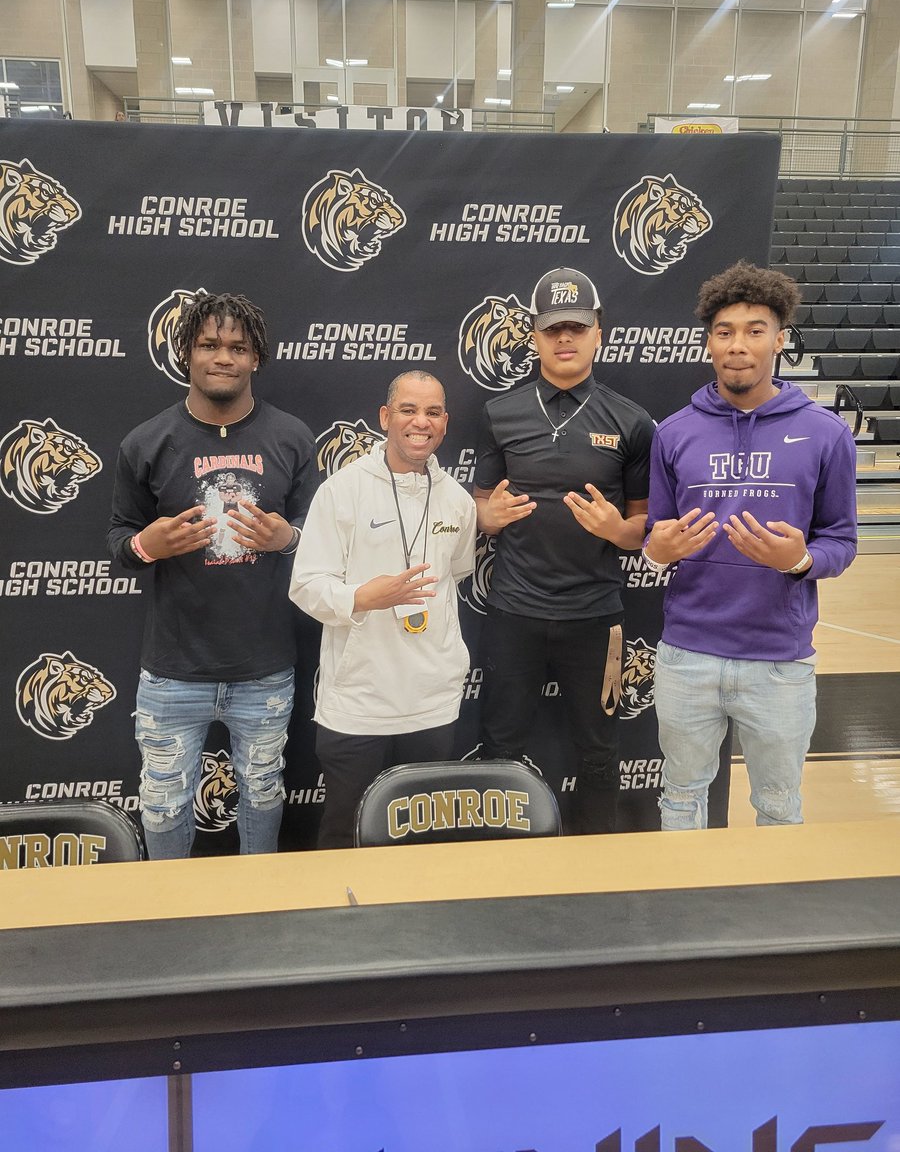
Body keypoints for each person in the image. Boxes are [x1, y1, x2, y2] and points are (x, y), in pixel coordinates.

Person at [644, 260, 857, 829]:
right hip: (688, 653)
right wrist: (656, 550)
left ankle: (770, 921)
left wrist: (802, 560)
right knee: (681, 798)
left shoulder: (825, 432)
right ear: (709, 341)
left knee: (779, 808)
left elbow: (841, 540)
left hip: (780, 660)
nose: (738, 345)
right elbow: (657, 534)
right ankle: (683, 911)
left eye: (754, 331)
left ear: (780, 340)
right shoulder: (674, 432)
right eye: (724, 331)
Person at [108, 292, 318, 858]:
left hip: (265, 668)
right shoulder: (146, 442)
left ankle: (257, 911)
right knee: (163, 802)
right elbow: (118, 538)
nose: (222, 357)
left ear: (256, 358)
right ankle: (170, 914)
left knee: (264, 793)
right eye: (208, 345)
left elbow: (318, 532)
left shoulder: (292, 437)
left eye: (236, 346)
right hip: (174, 672)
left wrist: (287, 538)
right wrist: (144, 545)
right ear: (186, 353)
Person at [473, 267, 655, 835]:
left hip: (595, 615)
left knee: (598, 748)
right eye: (553, 328)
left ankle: (595, 864)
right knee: (502, 743)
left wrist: (615, 531)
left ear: (598, 332)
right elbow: (480, 507)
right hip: (513, 610)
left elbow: (643, 528)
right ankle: (500, 858)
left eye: (577, 326)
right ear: (534, 337)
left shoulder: (631, 421)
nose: (565, 338)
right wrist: (487, 518)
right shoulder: (500, 413)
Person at [289, 371, 476, 849]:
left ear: (446, 422)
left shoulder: (457, 499)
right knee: (345, 837)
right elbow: (306, 586)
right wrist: (362, 598)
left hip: (431, 704)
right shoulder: (342, 491)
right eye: (409, 410)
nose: (421, 422)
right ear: (385, 417)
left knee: (421, 846)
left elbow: (455, 573)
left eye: (433, 412)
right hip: (359, 706)